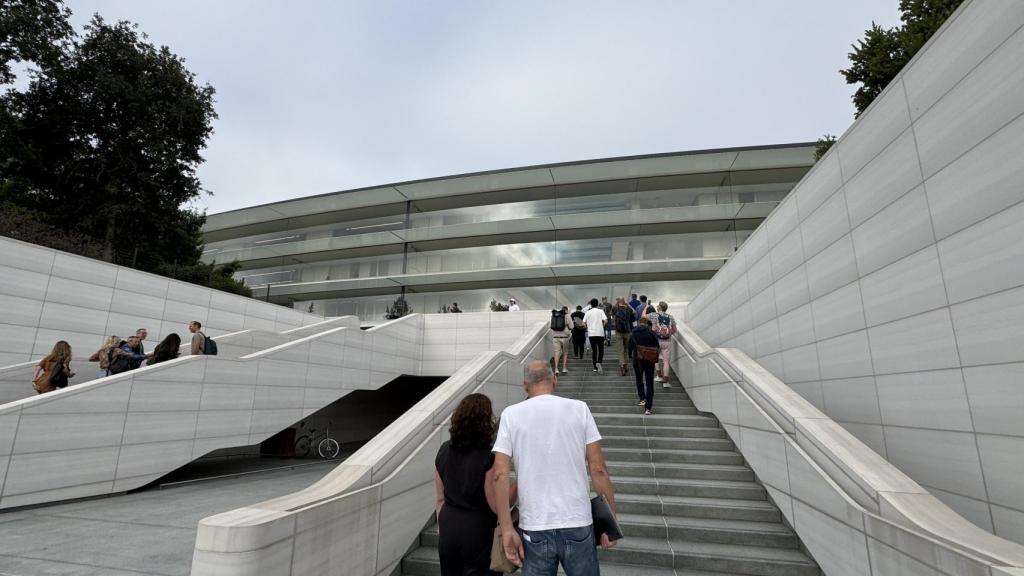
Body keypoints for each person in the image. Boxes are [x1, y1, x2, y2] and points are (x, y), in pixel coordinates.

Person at [493, 361, 617, 574]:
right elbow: (598, 469)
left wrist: (506, 528)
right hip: (577, 521)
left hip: (534, 526)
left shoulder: (510, 415)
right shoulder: (580, 409)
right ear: (555, 380)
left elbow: (499, 474)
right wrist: (610, 523)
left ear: (525, 386)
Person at [434, 393, 515, 576]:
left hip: (448, 523)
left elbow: (440, 498)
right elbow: (495, 506)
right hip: (477, 529)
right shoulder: (489, 456)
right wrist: (516, 488)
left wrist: (443, 525)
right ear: (486, 421)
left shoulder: (444, 450)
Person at [629, 317, 660, 415]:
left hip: (637, 360)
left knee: (639, 379)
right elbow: (657, 346)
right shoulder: (651, 333)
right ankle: (648, 408)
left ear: (639, 323)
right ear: (647, 324)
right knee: (649, 383)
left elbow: (629, 347)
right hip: (649, 360)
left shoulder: (634, 332)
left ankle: (642, 398)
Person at [652, 302, 678, 388]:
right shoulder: (670, 317)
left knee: (655, 358)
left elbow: (653, 329)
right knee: (666, 361)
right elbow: (674, 330)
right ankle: (666, 382)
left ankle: (659, 376)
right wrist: (668, 333)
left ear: (659, 308)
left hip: (656, 340)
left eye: (657, 306)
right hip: (667, 341)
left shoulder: (655, 316)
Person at [611, 297, 636, 376]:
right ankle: (625, 365)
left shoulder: (615, 309)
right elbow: (635, 313)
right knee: (625, 349)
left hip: (618, 332)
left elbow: (611, 313)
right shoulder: (628, 309)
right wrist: (628, 304)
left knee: (620, 350)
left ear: (618, 302)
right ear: (624, 301)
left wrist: (617, 303)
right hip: (627, 331)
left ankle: (622, 366)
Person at [582, 298, 607, 372]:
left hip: (591, 334)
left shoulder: (588, 312)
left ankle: (594, 367)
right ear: (597, 304)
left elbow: (583, 323)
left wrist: (587, 327)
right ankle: (599, 362)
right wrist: (602, 326)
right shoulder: (600, 311)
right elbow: (606, 320)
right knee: (601, 349)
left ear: (591, 304)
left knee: (594, 350)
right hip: (600, 333)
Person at [551, 306, 571, 374]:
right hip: (564, 337)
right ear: (566, 310)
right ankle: (564, 368)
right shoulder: (567, 316)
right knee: (565, 352)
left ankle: (556, 369)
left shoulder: (554, 315)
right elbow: (572, 326)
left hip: (555, 337)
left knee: (557, 353)